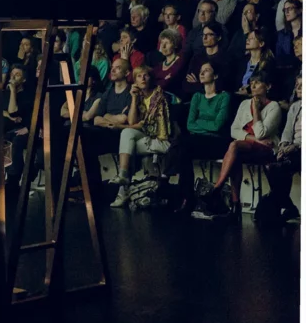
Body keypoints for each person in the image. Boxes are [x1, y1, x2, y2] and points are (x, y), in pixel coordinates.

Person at [193, 73, 283, 220]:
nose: (252, 86)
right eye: (251, 82)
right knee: (235, 152)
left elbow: (261, 133)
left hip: (267, 149)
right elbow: (233, 130)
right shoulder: (244, 104)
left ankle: (218, 190)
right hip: (247, 146)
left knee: (234, 147)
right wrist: (254, 139)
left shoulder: (274, 107)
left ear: (268, 86)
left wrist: (256, 110)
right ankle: (235, 206)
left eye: (258, 83)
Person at [167, 62, 232, 214]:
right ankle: (187, 197)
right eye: (201, 71)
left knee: (182, 144)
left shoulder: (224, 97)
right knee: (183, 148)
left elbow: (217, 126)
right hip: (196, 141)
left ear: (215, 75)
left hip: (216, 142)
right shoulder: (197, 97)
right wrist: (205, 124)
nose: (201, 73)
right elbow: (190, 124)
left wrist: (199, 123)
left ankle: (174, 187)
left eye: (206, 70)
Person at [110, 66, 173, 208]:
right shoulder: (138, 97)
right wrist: (133, 98)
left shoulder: (159, 97)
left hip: (162, 140)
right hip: (147, 137)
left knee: (127, 142)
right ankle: (124, 176)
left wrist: (120, 127)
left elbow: (145, 125)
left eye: (146, 76)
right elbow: (132, 122)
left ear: (151, 78)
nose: (143, 79)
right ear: (135, 80)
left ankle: (122, 190)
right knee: (127, 135)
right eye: (139, 76)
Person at [264, 73, 302, 223]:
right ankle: (287, 206)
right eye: (297, 84)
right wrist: (283, 145)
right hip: (291, 148)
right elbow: (287, 131)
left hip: (300, 148)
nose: (298, 88)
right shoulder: (295, 107)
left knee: (283, 167)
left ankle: (284, 208)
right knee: (271, 165)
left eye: (302, 85)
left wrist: (295, 146)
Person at [4, 64, 38, 189]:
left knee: (16, 141)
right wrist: (8, 116)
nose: (13, 77)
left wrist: (13, 90)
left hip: (27, 128)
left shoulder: (28, 95)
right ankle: (9, 174)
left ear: (23, 80)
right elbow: (2, 109)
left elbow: (13, 110)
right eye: (12, 74)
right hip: (10, 127)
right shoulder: (5, 92)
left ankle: (14, 177)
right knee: (5, 138)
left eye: (17, 75)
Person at [183, 20, 226, 98]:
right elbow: (187, 85)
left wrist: (197, 84)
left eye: (209, 34)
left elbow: (221, 86)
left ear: (219, 37)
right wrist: (207, 83)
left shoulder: (225, 58)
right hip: (196, 97)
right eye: (203, 34)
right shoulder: (197, 57)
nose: (205, 38)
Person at [231, 29, 275, 96]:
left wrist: (248, 90)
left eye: (251, 38)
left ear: (261, 43)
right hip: (239, 95)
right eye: (247, 38)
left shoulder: (268, 63)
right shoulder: (242, 61)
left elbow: (264, 84)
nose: (247, 40)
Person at [149, 28, 186, 96]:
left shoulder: (180, 62)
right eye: (162, 43)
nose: (163, 46)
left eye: (167, 43)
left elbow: (168, 84)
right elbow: (149, 84)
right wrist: (164, 79)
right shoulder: (159, 66)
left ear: (175, 45)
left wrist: (158, 82)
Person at [276, 0, 302, 64]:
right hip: (289, 68)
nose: (286, 12)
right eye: (285, 10)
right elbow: (279, 56)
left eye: (290, 8)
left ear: (299, 10)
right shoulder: (282, 34)